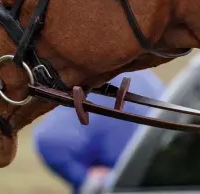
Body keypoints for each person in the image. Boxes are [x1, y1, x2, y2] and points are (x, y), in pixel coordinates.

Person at [33, 69, 164, 194]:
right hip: (159, 177)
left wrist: (91, 181)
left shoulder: (90, 76)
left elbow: (51, 140)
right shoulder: (145, 76)